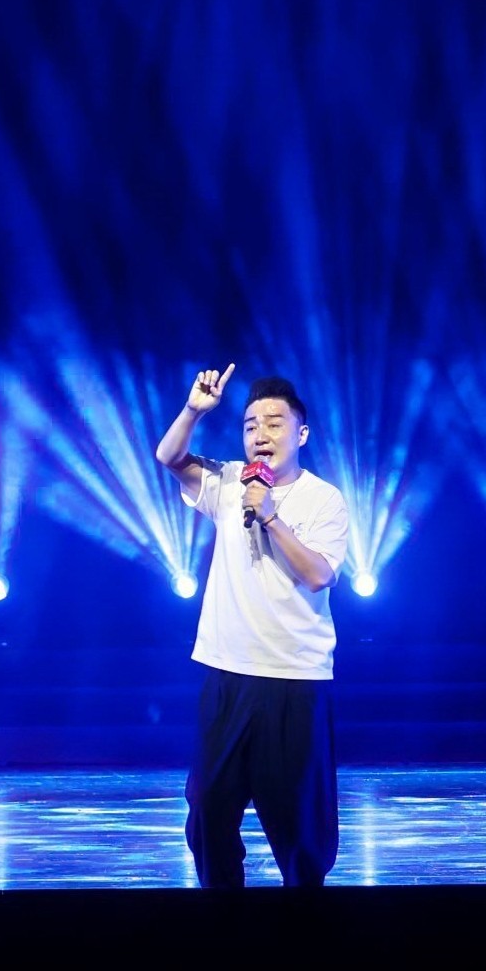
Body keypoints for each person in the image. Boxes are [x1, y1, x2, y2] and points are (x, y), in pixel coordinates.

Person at [153, 364, 351, 887]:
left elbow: (318, 575)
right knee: (208, 809)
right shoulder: (226, 481)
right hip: (227, 673)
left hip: (294, 678)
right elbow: (169, 457)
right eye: (249, 425)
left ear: (301, 434)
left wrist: (269, 515)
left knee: (300, 824)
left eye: (274, 423)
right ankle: (224, 914)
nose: (260, 434)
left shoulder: (324, 499)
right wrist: (193, 410)